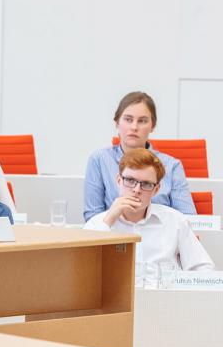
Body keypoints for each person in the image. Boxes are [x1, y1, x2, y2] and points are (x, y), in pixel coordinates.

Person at [84, 148, 214, 271]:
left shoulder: (175, 221)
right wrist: (109, 220)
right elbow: (82, 268)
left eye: (146, 184)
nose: (136, 190)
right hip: (114, 294)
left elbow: (204, 269)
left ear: (156, 190)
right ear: (119, 181)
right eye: (130, 180)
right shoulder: (97, 224)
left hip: (163, 293)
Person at [83, 91, 196, 221]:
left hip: (160, 237)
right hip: (115, 236)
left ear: (152, 126)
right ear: (117, 122)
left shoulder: (172, 165)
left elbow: (189, 219)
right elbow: (92, 218)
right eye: (128, 119)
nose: (134, 127)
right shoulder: (99, 160)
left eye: (142, 121)